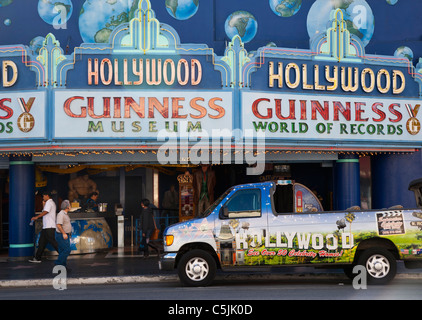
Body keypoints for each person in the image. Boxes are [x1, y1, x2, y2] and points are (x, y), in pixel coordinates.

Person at [29, 191, 59, 263]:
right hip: (46, 226)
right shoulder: (50, 203)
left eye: (43, 196)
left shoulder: (49, 202)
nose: (43, 197)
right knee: (41, 242)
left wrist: (37, 217)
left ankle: (63, 254)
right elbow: (45, 211)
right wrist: (43, 205)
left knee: (53, 242)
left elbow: (46, 212)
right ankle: (37, 258)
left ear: (47, 195)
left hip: (49, 226)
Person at [55, 200, 72, 269]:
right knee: (67, 250)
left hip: (65, 235)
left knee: (62, 250)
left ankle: (62, 266)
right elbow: (58, 225)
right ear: (67, 207)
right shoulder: (61, 214)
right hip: (61, 235)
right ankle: (58, 263)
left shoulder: (65, 214)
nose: (70, 206)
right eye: (70, 205)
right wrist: (64, 233)